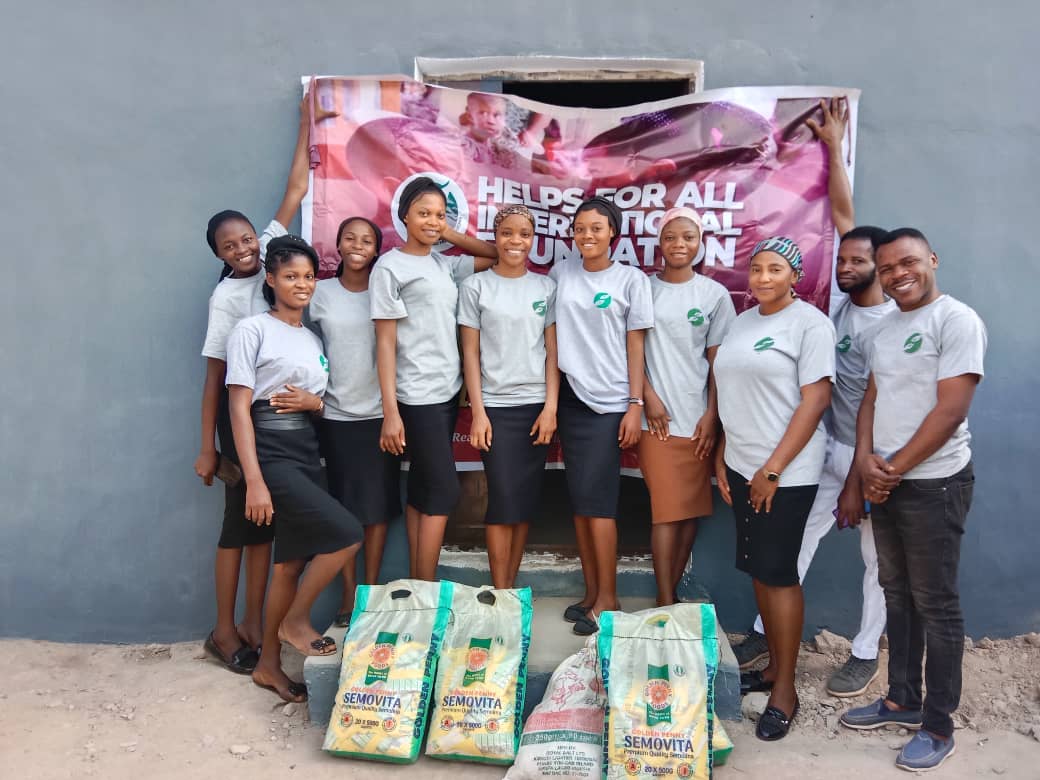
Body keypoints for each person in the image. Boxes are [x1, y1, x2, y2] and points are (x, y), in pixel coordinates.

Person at [732, 98, 894, 699]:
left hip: (880, 455)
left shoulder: (897, 322)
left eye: (858, 261)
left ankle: (863, 652)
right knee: (792, 544)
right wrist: (831, 148)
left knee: (880, 560)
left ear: (883, 266)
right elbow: (845, 215)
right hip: (826, 446)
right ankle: (765, 635)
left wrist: (862, 474)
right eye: (843, 258)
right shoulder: (841, 307)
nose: (846, 265)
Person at [839, 228, 986, 773]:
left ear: (932, 260)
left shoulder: (956, 320)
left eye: (908, 262)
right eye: (888, 268)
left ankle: (939, 725)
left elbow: (951, 410)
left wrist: (891, 470)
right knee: (896, 594)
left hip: (935, 484)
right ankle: (902, 699)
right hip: (887, 481)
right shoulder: (885, 329)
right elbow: (871, 399)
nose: (898, 274)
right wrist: (864, 462)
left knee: (935, 604)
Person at [193, 94, 314, 674]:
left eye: (246, 240)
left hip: (277, 417)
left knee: (264, 527)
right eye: (230, 246)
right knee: (237, 524)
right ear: (219, 254)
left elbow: (296, 187)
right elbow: (214, 378)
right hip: (237, 417)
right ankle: (223, 629)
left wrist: (307, 120)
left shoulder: (272, 258)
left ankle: (251, 622)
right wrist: (207, 447)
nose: (243, 250)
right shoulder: (226, 298)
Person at [226, 234, 364, 703]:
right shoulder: (252, 330)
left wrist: (316, 404)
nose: (302, 284)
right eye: (290, 276)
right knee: (347, 534)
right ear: (270, 279)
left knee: (289, 563)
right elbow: (239, 408)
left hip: (306, 450)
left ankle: (268, 666)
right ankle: (295, 620)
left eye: (308, 276)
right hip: (270, 452)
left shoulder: (310, 337)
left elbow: (317, 403)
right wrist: (254, 481)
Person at [714, 237, 836, 741]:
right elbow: (730, 391)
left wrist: (773, 469)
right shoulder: (742, 322)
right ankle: (769, 671)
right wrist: (724, 455)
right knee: (759, 571)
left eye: (775, 269)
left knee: (779, 574)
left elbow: (816, 400)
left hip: (784, 473)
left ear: (795, 277)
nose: (763, 278)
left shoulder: (810, 324)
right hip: (742, 465)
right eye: (757, 269)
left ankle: (786, 689)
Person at [370, 176, 497, 581]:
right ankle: (425, 586)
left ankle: (416, 579)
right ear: (404, 215)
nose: (432, 221)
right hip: (415, 395)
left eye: (440, 215)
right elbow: (385, 343)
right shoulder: (390, 267)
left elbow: (495, 255)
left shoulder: (444, 264)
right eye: (423, 213)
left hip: (445, 393)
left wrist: (448, 233)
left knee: (425, 487)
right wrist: (391, 412)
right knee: (444, 491)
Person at [551, 196, 654, 636]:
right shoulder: (561, 274)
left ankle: (609, 600)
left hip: (610, 404)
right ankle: (592, 593)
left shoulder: (631, 280)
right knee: (581, 504)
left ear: (613, 232)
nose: (587, 235)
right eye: (580, 228)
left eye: (596, 227)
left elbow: (636, 345)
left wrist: (635, 404)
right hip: (572, 399)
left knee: (600, 505)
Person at [458, 204, 560, 588]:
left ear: (533, 240)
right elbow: (470, 354)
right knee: (502, 500)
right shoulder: (476, 287)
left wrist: (550, 408)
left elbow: (552, 353)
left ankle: (511, 589)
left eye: (524, 234)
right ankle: (501, 591)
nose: (516, 241)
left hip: (535, 408)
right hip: (495, 409)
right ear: (496, 238)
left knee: (523, 501)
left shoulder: (545, 288)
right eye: (507, 233)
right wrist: (479, 413)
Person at [640, 207, 735, 606]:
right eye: (671, 237)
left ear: (700, 243)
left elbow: (719, 363)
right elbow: (630, 352)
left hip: (698, 422)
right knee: (666, 512)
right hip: (656, 422)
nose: (679, 244)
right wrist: (648, 397)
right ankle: (664, 601)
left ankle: (673, 593)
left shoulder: (714, 295)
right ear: (659, 243)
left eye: (688, 237)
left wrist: (713, 415)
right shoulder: (643, 288)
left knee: (690, 513)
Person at [308, 216, 399, 627]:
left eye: (366, 240)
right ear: (338, 245)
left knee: (377, 510)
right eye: (350, 238)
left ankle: (370, 592)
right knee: (345, 511)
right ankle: (347, 596)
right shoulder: (320, 293)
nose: (357, 245)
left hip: (381, 414)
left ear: (377, 249)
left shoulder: (385, 290)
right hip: (336, 414)